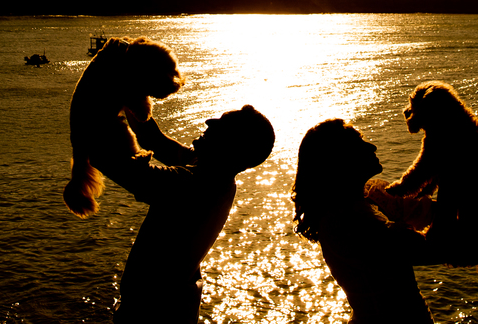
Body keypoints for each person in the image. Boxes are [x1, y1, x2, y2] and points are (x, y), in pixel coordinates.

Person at [103, 105, 275, 324]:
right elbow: (153, 139)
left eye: (220, 123)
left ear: (229, 146)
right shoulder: (219, 178)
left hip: (153, 314)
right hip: (178, 307)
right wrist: (131, 99)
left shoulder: (190, 184)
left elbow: (113, 164)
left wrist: (92, 119)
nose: (209, 122)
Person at [292, 119, 442, 324]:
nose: (372, 146)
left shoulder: (372, 195)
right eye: (359, 142)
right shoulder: (342, 222)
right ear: (340, 160)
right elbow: (432, 250)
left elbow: (428, 212)